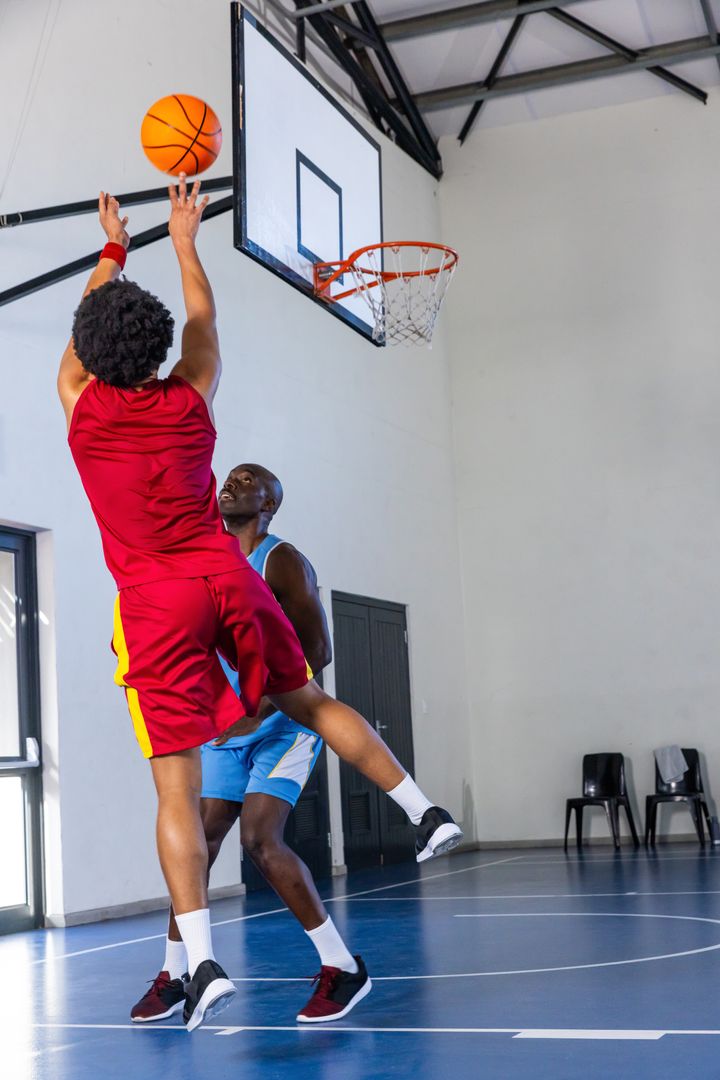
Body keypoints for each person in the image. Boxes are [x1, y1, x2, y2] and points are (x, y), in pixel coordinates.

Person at [57, 176, 462, 1032]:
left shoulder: (80, 409)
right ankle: (423, 811)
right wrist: (183, 240)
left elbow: (78, 345)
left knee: (175, 791)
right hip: (221, 576)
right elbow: (203, 321)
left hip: (158, 603)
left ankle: (201, 961)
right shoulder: (191, 399)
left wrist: (110, 250)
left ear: (91, 353)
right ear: (160, 348)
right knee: (308, 699)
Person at [132, 463, 370, 1024]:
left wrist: (258, 708)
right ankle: (176, 973)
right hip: (222, 727)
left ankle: (342, 967)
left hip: (278, 725)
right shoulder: (204, 555)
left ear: (270, 504)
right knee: (199, 842)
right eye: (229, 476)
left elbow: (318, 651)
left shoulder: (281, 559)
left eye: (247, 479)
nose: (230, 483)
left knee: (262, 841)